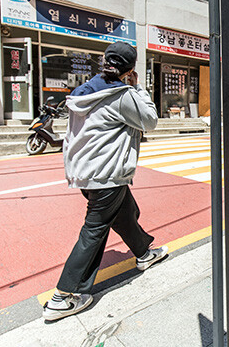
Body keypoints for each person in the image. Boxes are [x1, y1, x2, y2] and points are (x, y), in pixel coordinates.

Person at [43, 41, 168, 321]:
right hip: (106, 174)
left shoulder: (85, 90)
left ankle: (144, 254)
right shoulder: (122, 94)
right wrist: (138, 88)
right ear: (131, 69)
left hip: (85, 172)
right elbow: (149, 121)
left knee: (126, 214)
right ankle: (64, 295)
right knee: (95, 229)